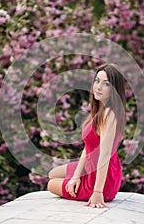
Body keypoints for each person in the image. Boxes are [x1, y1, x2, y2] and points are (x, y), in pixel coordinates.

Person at [47, 63, 126, 209]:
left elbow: (105, 155)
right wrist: (76, 176)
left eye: (106, 84)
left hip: (100, 180)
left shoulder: (109, 115)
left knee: (51, 184)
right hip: (89, 166)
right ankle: (77, 178)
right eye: (97, 81)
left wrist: (97, 192)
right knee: (52, 174)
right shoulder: (98, 110)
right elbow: (88, 147)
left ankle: (96, 188)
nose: (98, 87)